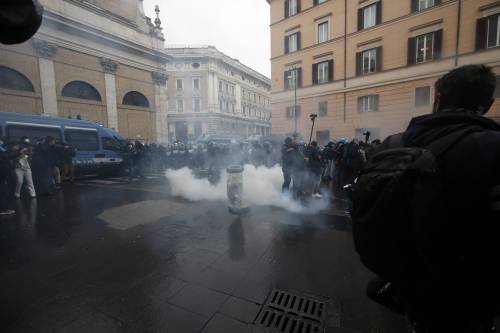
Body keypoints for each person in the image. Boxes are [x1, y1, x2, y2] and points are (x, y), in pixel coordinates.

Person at [361, 65, 500, 333]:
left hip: (408, 283)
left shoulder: (394, 143)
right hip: (469, 296)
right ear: (487, 105)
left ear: (437, 99)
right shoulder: (493, 147)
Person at [0, 138, 15, 216]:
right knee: (3, 191)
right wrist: (18, 152)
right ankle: (3, 209)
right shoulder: (2, 150)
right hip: (2, 173)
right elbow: (6, 156)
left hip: (3, 173)